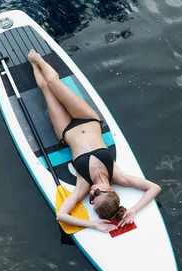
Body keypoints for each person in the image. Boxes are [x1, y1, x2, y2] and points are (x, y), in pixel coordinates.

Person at [27, 50, 161, 233]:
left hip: (65, 130)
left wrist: (93, 224)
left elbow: (61, 215)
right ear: (111, 191)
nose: (92, 193)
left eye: (92, 199)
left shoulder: (84, 185)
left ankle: (34, 65)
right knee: (53, 83)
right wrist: (133, 211)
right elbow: (154, 188)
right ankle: (38, 59)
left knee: (46, 89)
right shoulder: (118, 176)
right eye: (97, 194)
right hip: (88, 119)